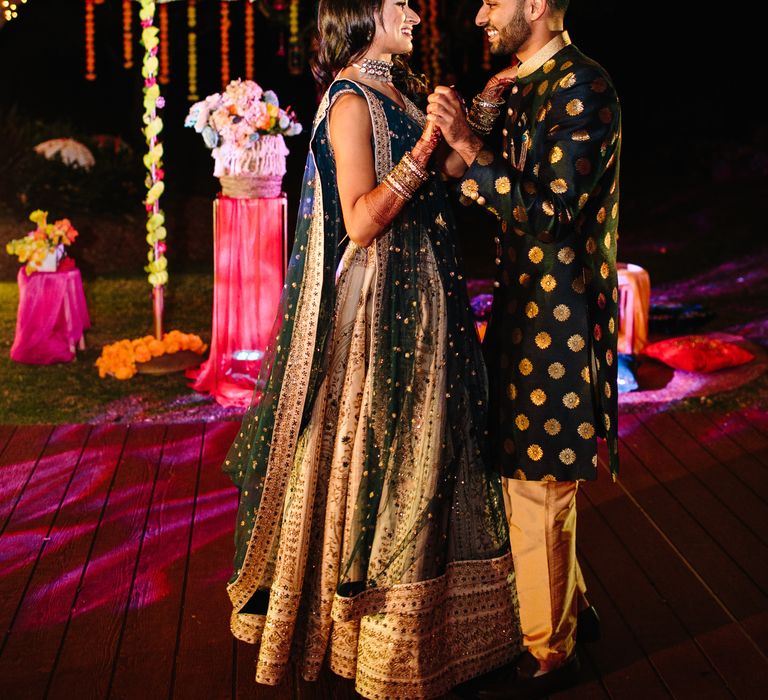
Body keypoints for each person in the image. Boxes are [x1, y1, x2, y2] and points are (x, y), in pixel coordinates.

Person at [222, 1, 521, 698]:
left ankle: (440, 632)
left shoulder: (400, 90)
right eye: (399, 4)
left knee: (437, 456)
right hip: (383, 314)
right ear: (364, 15)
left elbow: (444, 171)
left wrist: (479, 106)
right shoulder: (351, 99)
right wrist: (424, 149)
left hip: (429, 301)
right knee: (396, 463)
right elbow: (359, 221)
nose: (416, 13)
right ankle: (379, 644)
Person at [426, 0, 621, 696]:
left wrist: (472, 146)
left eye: (494, 1)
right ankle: (571, 608)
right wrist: (474, 115)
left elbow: (551, 214)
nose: (481, 14)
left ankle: (550, 649)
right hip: (520, 309)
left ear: (534, 6)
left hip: (562, 313)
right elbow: (456, 177)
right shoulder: (521, 84)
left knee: (539, 485)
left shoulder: (585, 86)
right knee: (527, 473)